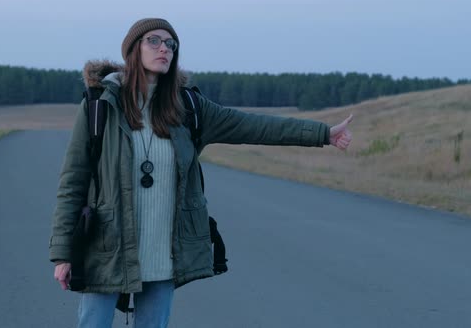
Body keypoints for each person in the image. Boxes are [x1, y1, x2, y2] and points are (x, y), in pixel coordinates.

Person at [49, 18, 353, 327]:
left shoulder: (189, 108)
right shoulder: (100, 105)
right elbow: (72, 183)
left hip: (163, 255)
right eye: (154, 41)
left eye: (170, 44)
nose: (164, 48)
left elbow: (253, 125)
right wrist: (63, 253)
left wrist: (323, 134)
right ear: (133, 49)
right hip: (106, 249)